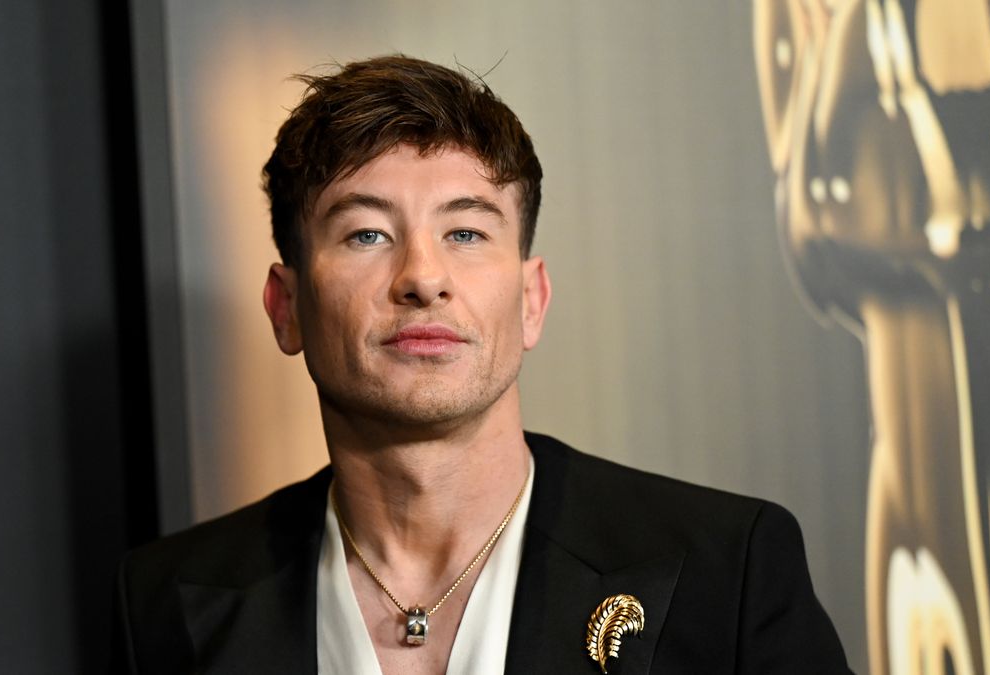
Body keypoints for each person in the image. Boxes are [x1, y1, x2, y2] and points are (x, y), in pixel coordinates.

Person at [112, 55, 852, 674]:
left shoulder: (728, 571)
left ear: (531, 299)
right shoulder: (164, 604)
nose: (422, 276)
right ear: (287, 307)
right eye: (367, 234)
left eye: (466, 232)